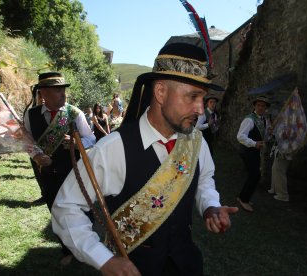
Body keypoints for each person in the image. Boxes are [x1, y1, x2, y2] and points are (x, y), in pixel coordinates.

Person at [52, 43, 238, 276]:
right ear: (160, 92)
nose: (200, 109)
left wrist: (210, 206)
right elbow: (66, 207)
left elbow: (204, 181)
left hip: (187, 266)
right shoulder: (114, 148)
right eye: (192, 96)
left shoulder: (197, 143)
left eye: (203, 97)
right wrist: (104, 260)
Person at [23, 72, 95, 264]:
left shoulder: (74, 113)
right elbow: (27, 141)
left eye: (63, 89)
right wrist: (37, 155)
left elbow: (91, 138)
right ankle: (67, 250)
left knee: (80, 210)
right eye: (57, 90)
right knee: (56, 211)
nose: (63, 94)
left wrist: (76, 140)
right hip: (47, 174)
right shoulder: (30, 116)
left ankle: (84, 247)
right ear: (43, 92)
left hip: (73, 172)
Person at [236, 96, 271, 212]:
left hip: (254, 151)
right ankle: (244, 200)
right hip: (247, 151)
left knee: (254, 175)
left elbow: (264, 137)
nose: (261, 107)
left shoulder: (265, 120)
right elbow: (240, 136)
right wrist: (254, 143)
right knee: (255, 175)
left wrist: (269, 133)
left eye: (263, 106)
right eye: (258, 105)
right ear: (254, 106)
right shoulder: (250, 120)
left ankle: (242, 196)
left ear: (266, 108)